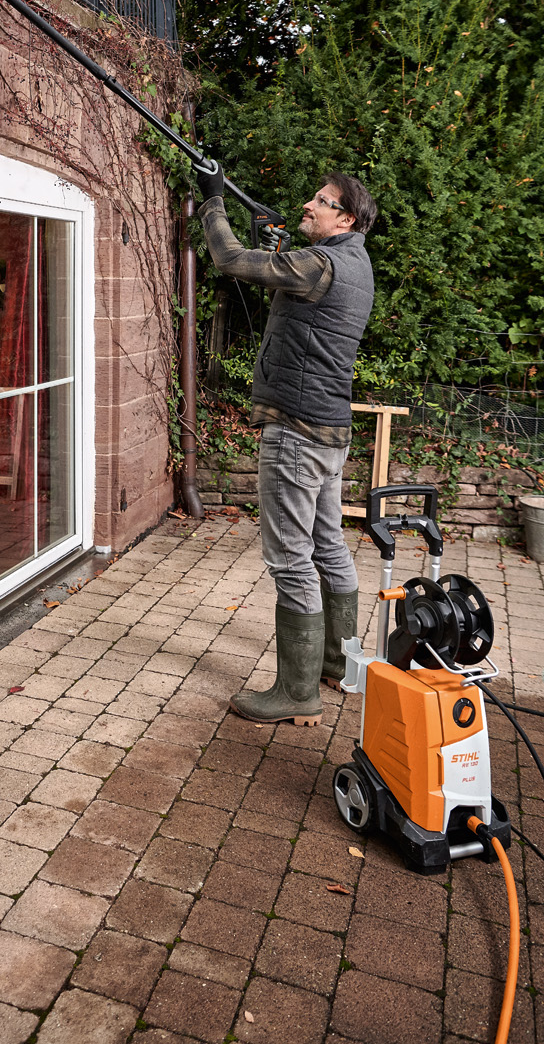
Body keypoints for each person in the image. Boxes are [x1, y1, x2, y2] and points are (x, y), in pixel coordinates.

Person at [195, 165, 377, 726]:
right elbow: (281, 273)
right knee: (327, 545)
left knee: (291, 559)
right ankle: (338, 665)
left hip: (297, 432)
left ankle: (297, 695)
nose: (309, 204)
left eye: (321, 202)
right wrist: (271, 236)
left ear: (345, 218)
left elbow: (230, 261)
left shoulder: (321, 264)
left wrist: (213, 204)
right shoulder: (355, 261)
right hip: (329, 430)